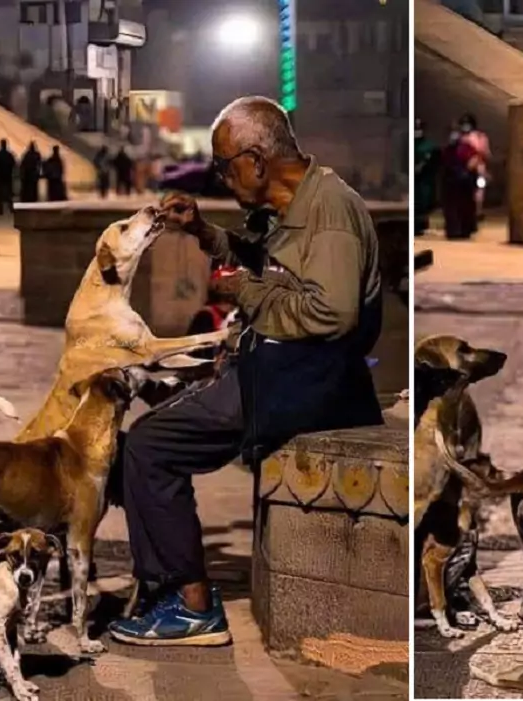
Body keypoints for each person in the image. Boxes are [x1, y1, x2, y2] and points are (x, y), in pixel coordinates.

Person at [107, 96, 384, 647]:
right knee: (153, 411)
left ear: (256, 161)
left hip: (309, 379)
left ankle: (191, 605)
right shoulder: (292, 202)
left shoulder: (328, 210)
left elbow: (331, 313)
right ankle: (165, 581)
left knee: (150, 445)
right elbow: (266, 261)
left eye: (223, 164)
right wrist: (204, 233)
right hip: (279, 363)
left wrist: (244, 293)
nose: (220, 176)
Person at [441, 129, 476, 239]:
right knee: (452, 208)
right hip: (451, 182)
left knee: (465, 207)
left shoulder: (466, 148)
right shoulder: (447, 150)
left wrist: (467, 170)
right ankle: (454, 231)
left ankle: (464, 230)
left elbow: (474, 160)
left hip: (464, 182)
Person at [458, 113, 490, 223]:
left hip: (479, 169)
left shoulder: (480, 137)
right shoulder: (459, 138)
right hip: (464, 169)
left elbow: (485, 153)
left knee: (479, 191)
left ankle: (477, 212)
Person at [414, 118, 439, 236]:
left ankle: (421, 224)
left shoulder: (429, 146)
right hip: (411, 180)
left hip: (424, 179)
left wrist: (424, 167)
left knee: (423, 201)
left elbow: (435, 162)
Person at [0, 140, 17, 214]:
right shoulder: (9, 155)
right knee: (8, 192)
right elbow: (14, 164)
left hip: (0, 175)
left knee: (0, 193)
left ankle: (0, 209)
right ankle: (10, 208)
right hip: (7, 175)